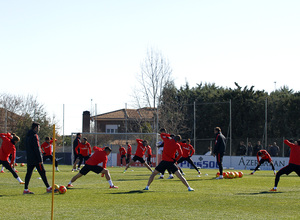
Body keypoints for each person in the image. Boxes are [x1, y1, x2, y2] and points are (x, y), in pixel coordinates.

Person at [23, 122, 52, 194]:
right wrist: (40, 159)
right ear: (35, 128)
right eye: (38, 128)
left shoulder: (27, 136)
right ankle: (48, 188)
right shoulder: (34, 136)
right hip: (36, 159)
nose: (39, 129)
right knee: (42, 172)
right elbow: (37, 148)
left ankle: (25, 189)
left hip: (29, 158)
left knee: (29, 173)